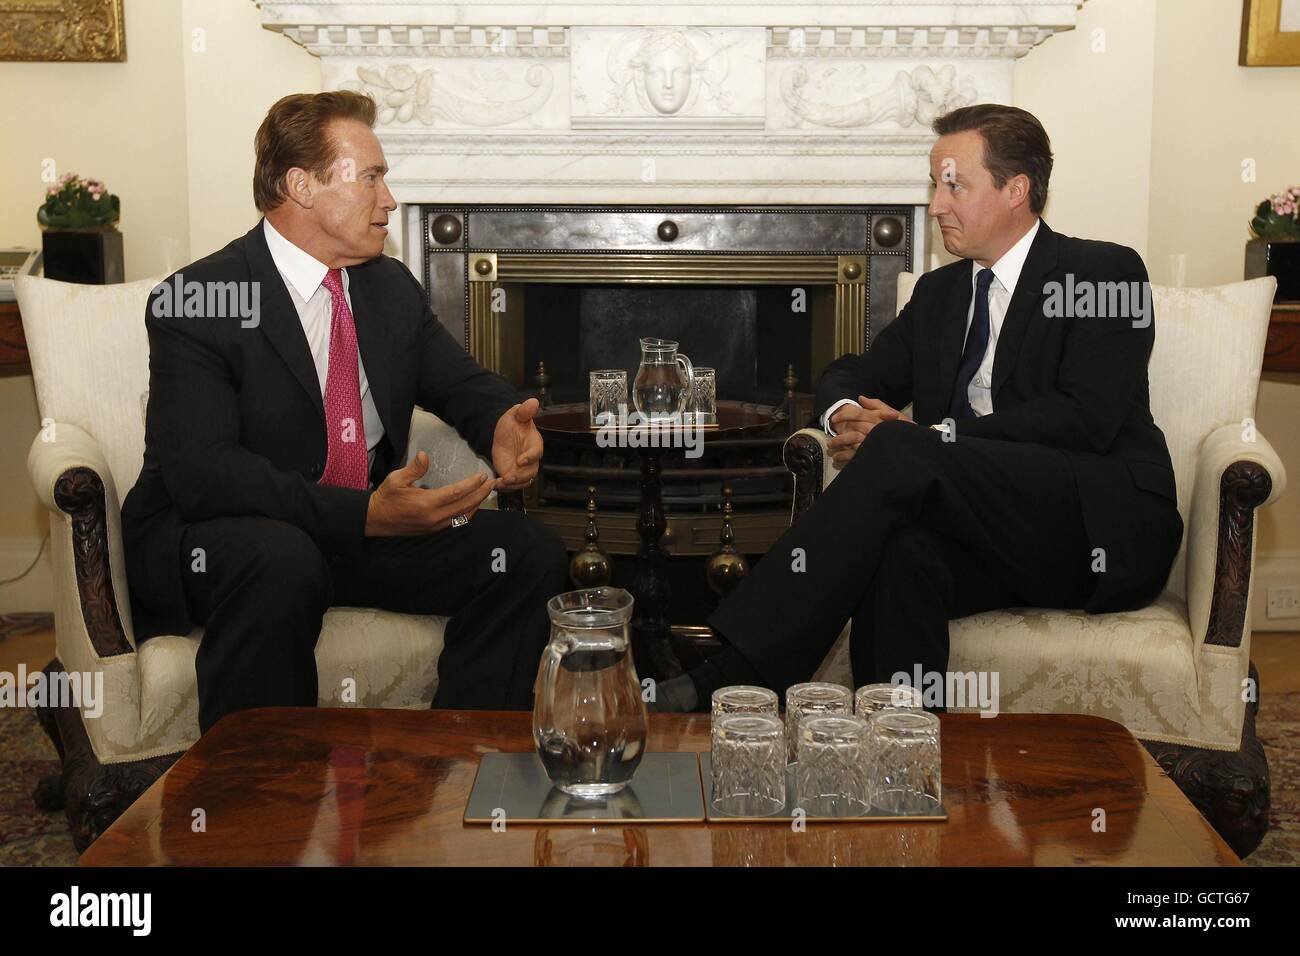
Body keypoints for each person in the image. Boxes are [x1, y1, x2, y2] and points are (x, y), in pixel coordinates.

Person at [656, 103, 1183, 711]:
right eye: (935, 184)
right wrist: (844, 415)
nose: (935, 204)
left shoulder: (1102, 272)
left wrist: (932, 436)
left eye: (953, 184)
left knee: (904, 447)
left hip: (1094, 526)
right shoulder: (941, 292)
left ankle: (737, 667)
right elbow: (849, 372)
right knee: (900, 552)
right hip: (982, 537)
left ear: (1017, 189)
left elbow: (1087, 418)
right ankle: (901, 754)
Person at [121, 91, 568, 733]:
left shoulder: (386, 285)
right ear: (301, 185)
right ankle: (258, 798)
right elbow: (205, 475)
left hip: (356, 531)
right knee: (280, 559)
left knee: (526, 553)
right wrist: (363, 513)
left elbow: (459, 383)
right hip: (222, 536)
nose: (390, 199)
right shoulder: (201, 298)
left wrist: (500, 421)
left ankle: (449, 765)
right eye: (373, 177)